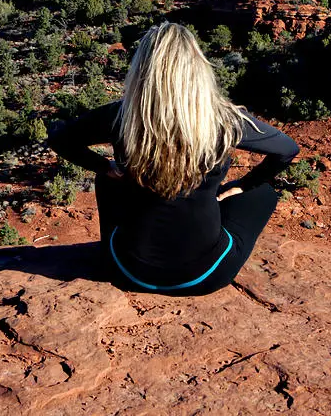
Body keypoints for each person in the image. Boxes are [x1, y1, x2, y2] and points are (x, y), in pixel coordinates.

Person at [47, 21, 299, 296]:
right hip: (203, 276)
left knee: (108, 179)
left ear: (142, 71)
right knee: (261, 194)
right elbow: (286, 149)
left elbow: (60, 138)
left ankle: (120, 239)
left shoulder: (120, 117)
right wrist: (243, 185)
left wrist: (103, 166)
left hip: (126, 270)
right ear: (197, 69)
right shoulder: (225, 120)